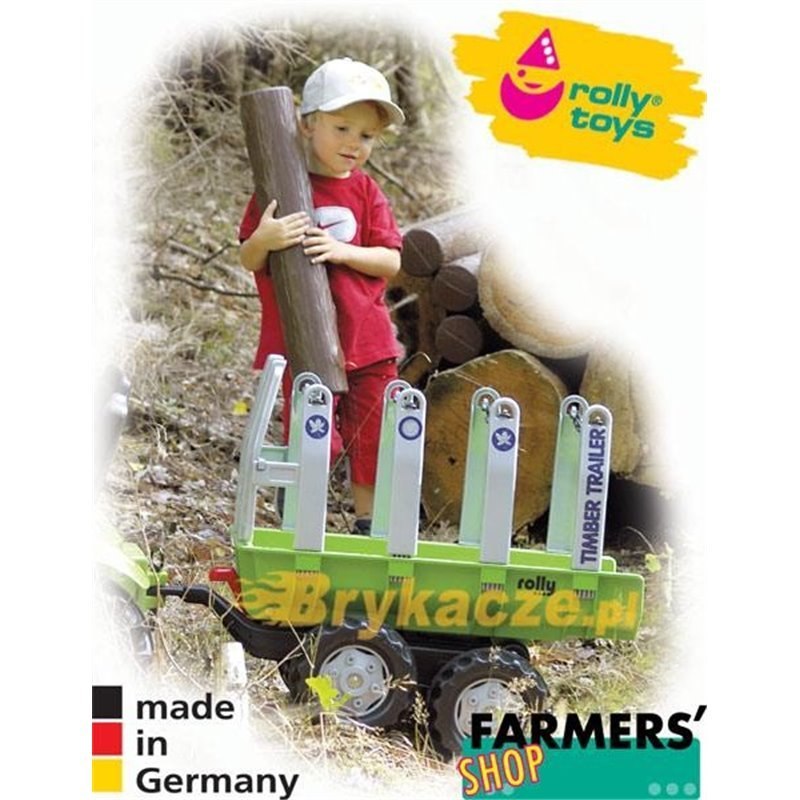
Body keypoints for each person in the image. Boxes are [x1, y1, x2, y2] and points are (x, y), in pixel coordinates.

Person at [238, 58, 405, 535]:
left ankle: (369, 526)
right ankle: (300, 517)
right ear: (307, 124)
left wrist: (341, 251)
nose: (354, 143)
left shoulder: (367, 192)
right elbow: (249, 256)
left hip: (367, 341)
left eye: (367, 135)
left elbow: (391, 261)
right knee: (313, 434)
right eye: (342, 128)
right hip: (302, 343)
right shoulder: (280, 186)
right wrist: (266, 238)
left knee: (372, 437)